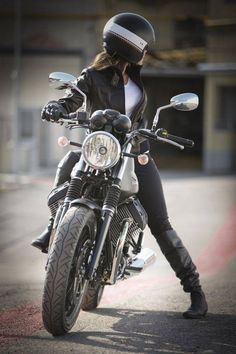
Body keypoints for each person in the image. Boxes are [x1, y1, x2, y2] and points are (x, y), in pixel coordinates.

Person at [31, 13, 208, 319]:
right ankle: (52, 228)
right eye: (145, 46)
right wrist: (58, 106)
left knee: (161, 223)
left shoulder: (138, 84)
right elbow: (75, 98)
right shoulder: (93, 76)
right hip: (99, 149)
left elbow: (140, 122)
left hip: (133, 153)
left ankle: (195, 291)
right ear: (134, 45)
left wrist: (151, 135)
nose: (146, 53)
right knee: (68, 165)